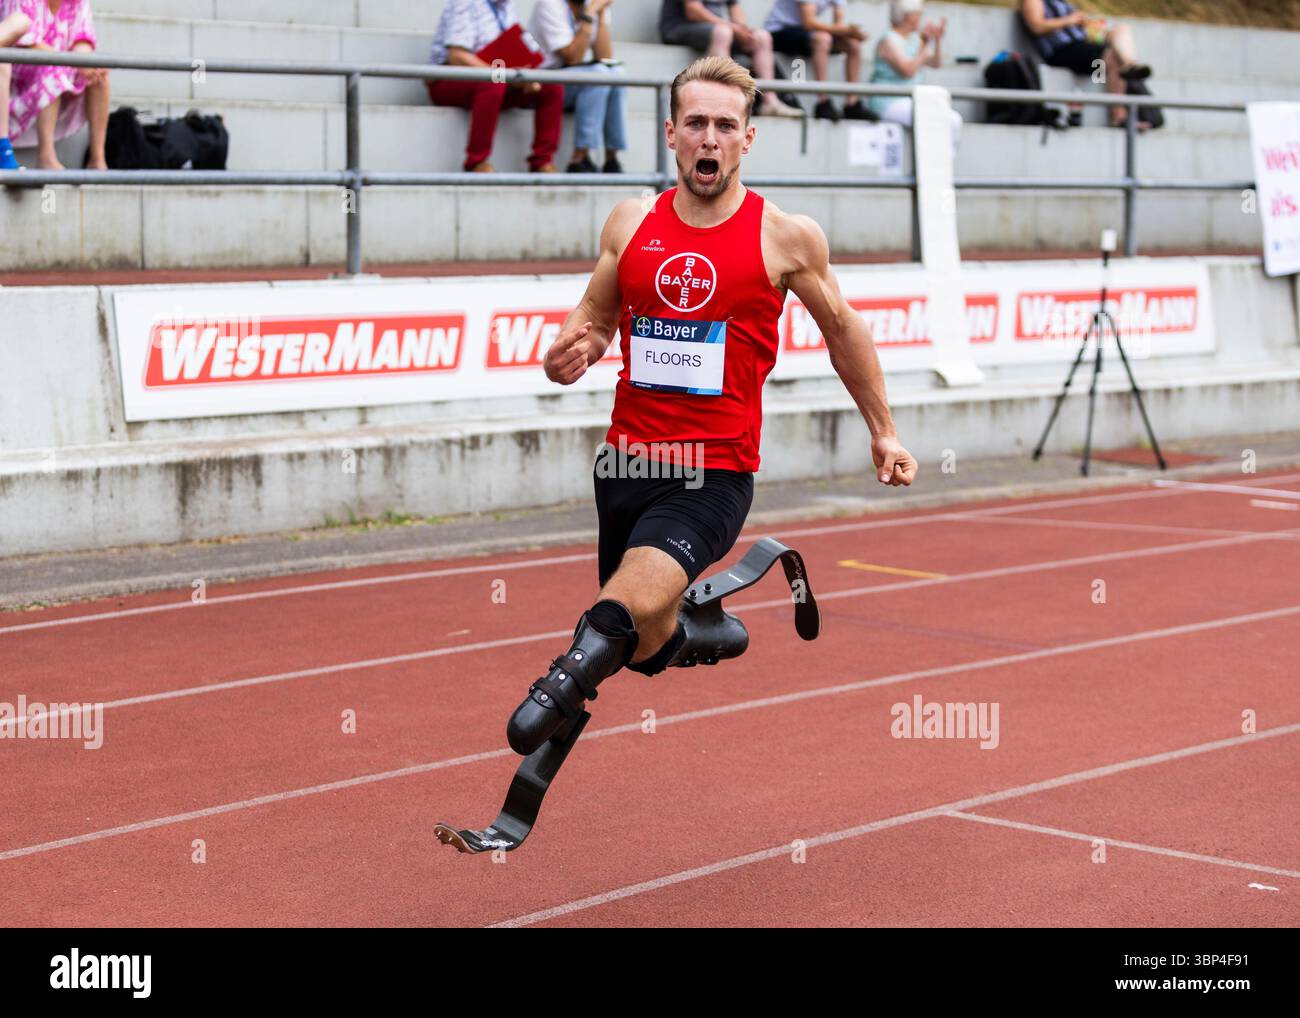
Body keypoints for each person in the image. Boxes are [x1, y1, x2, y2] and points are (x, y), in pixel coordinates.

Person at [504, 55, 917, 757]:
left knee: (610, 622)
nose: (709, 138)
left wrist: (884, 432)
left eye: (726, 125)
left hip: (713, 474)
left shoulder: (785, 237)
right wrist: (568, 352)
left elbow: (843, 329)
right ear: (671, 133)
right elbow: (595, 319)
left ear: (747, 140)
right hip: (624, 466)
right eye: (696, 122)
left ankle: (551, 697)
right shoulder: (630, 222)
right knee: (640, 641)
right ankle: (702, 630)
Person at [427, 0, 564, 173]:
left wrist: (526, 75)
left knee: (552, 86)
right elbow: (457, 56)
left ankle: (542, 162)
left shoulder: (507, 6)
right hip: (449, 79)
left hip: (496, 76)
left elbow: (515, 49)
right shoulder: (464, 3)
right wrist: (505, 76)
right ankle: (477, 162)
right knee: (494, 84)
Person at [0, 0, 109, 171]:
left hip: (59, 62)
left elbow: (81, 39)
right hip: (20, 67)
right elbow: (25, 41)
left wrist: (86, 63)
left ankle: (97, 160)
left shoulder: (78, 2)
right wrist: (69, 62)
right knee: (52, 70)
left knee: (98, 76)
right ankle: (46, 157)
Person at [1018, 0, 1152, 129]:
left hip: (1085, 49)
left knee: (1121, 29)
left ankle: (1129, 64)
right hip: (1063, 51)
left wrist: (1087, 26)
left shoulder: (1061, 2)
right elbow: (1036, 26)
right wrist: (1069, 21)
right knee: (1111, 56)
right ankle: (1119, 115)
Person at [528, 0, 627, 173]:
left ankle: (611, 157)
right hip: (543, 81)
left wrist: (601, 15)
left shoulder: (592, 5)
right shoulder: (549, 4)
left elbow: (605, 57)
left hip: (570, 79)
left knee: (616, 72)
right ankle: (580, 157)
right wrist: (590, 14)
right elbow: (572, 57)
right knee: (598, 75)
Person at [659, 1, 802, 117]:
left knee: (761, 37)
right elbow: (693, 11)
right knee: (723, 32)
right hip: (678, 28)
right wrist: (732, 28)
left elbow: (735, 8)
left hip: (716, 29)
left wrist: (743, 30)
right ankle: (722, 98)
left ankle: (770, 102)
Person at [868, 0, 961, 148]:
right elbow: (908, 70)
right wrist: (924, 48)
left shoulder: (914, 39)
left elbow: (936, 63)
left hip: (911, 100)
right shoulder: (888, 40)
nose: (921, 17)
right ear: (908, 16)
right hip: (888, 101)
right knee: (941, 120)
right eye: (918, 14)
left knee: (954, 120)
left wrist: (936, 41)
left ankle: (942, 164)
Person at [764, 0, 873, 122]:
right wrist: (847, 31)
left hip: (805, 33)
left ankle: (852, 103)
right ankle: (823, 101)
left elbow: (838, 24)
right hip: (780, 30)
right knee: (823, 38)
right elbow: (809, 23)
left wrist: (850, 33)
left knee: (854, 44)